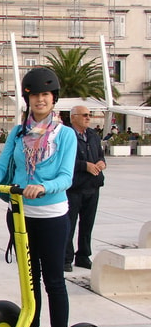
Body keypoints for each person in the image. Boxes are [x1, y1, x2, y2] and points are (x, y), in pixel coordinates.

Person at [0, 68, 76, 327]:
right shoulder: (18, 133)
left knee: (53, 280)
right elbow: (3, 163)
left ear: (53, 99)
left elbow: (66, 177)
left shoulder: (65, 135)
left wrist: (44, 187)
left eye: (45, 95)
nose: (40, 100)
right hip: (21, 214)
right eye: (35, 95)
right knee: (29, 278)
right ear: (28, 99)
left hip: (51, 215)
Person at [65, 106, 106, 272]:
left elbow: (100, 155)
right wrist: (85, 166)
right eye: (84, 115)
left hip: (93, 187)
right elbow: (62, 160)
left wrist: (101, 163)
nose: (88, 118)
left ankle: (83, 255)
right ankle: (66, 258)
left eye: (89, 115)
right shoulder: (67, 135)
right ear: (73, 117)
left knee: (87, 224)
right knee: (69, 224)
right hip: (74, 188)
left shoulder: (92, 135)